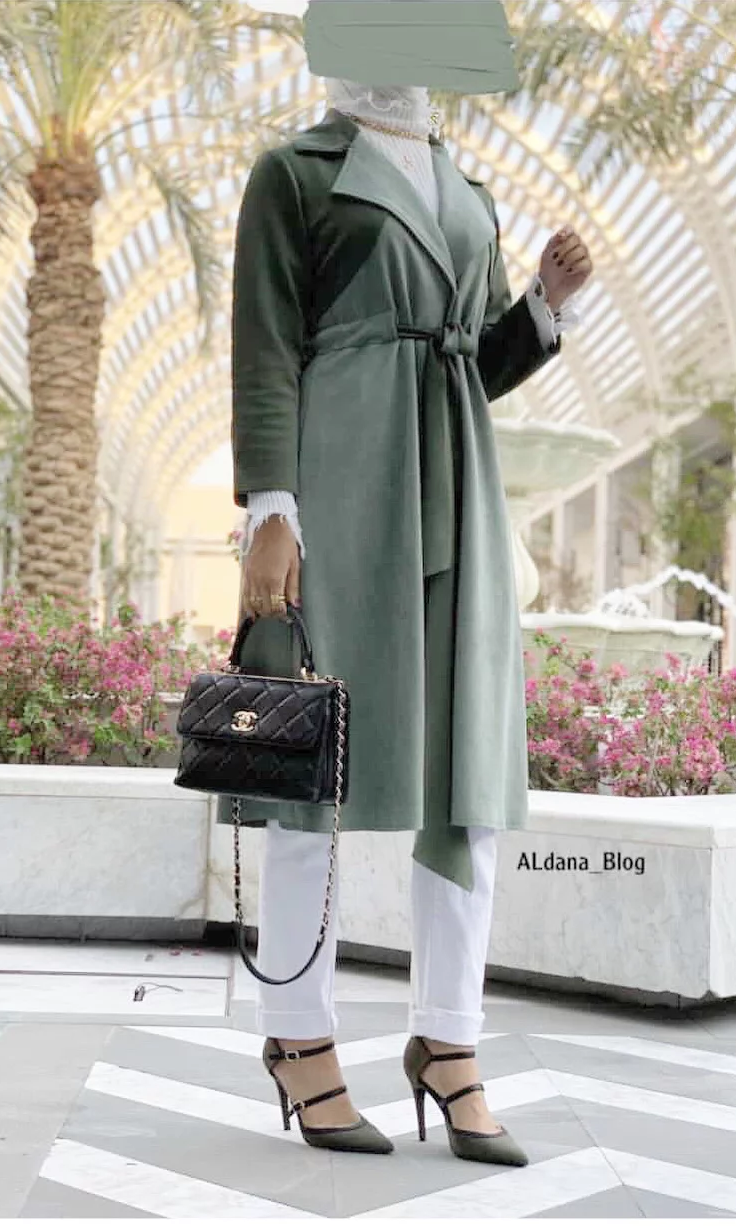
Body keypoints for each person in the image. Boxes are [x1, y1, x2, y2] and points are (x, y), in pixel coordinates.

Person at [222, 77, 592, 1165]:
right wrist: (271, 509)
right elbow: (264, 342)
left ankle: (449, 1039)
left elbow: (472, 361)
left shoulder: (467, 189)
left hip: (458, 490)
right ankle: (298, 1033)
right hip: (342, 485)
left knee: (467, 774)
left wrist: (544, 306)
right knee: (312, 761)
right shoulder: (294, 172)